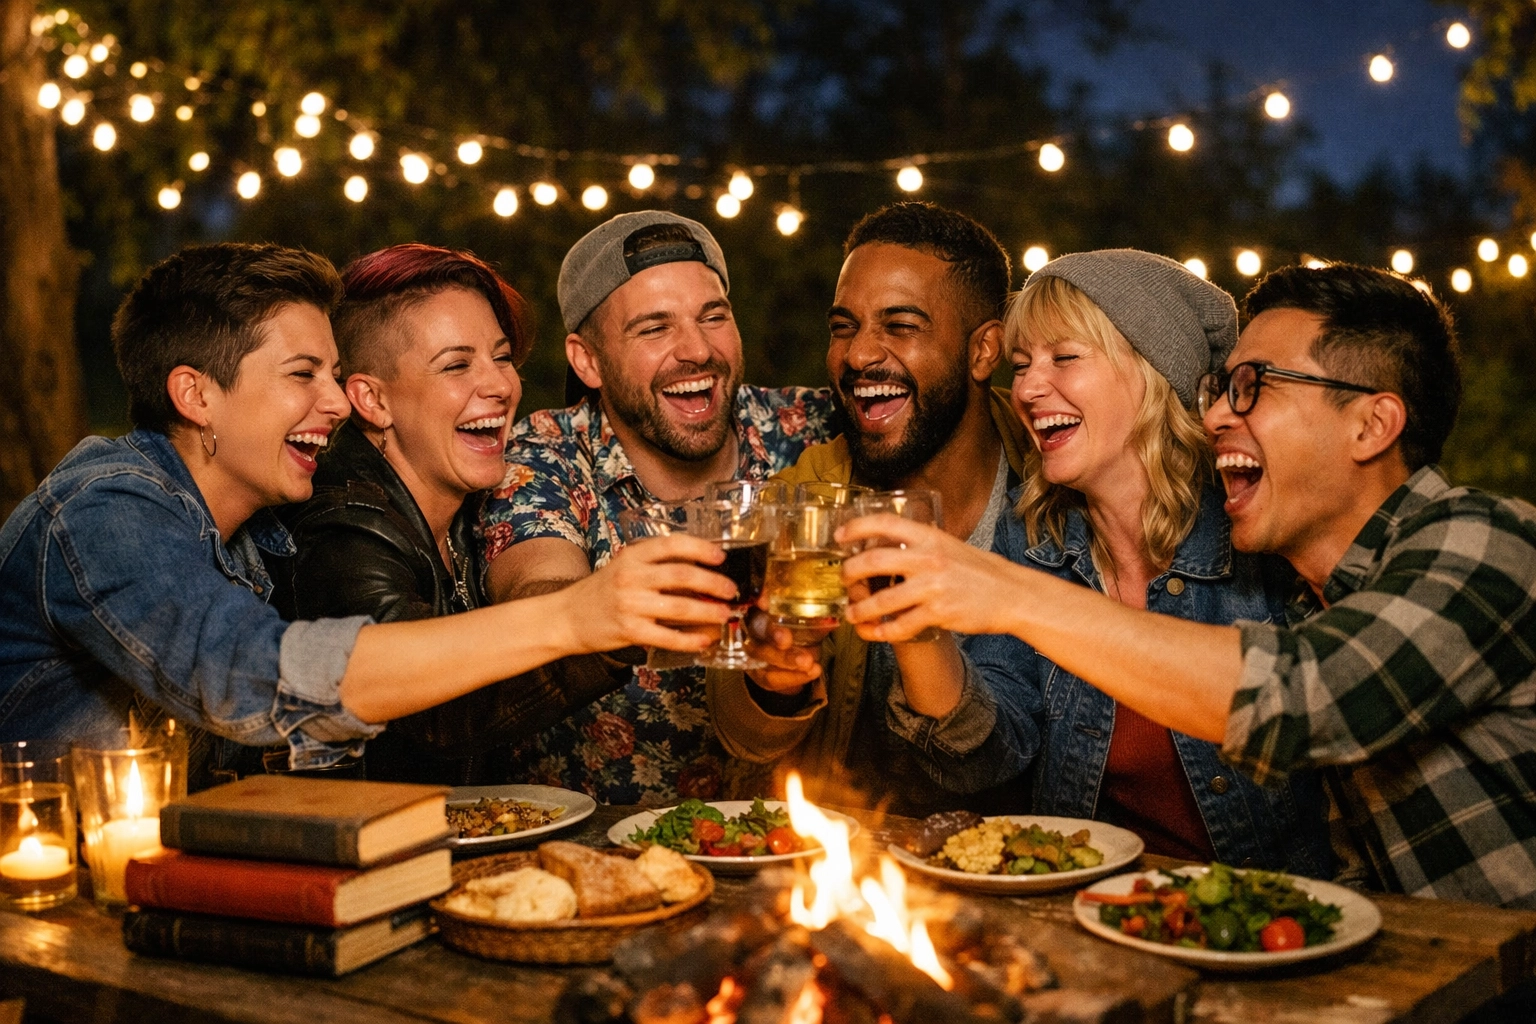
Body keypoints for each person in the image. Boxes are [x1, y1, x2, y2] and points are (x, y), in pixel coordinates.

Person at [842, 262, 1536, 906]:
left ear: (1371, 424)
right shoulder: (1303, 576)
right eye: (1223, 389)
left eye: (1252, 387)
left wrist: (1006, 595)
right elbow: (985, 752)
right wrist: (921, 612)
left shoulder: (1488, 541)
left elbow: (1299, 700)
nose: (1217, 417)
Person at [0, 243, 735, 788]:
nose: (335, 401)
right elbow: (253, 679)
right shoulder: (106, 506)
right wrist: (577, 618)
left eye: (332, 372)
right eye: (303, 375)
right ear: (196, 396)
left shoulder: (258, 541)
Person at [835, 249, 1332, 871]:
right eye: (1020, 366)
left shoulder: (1256, 530)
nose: (1027, 389)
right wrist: (914, 624)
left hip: (1272, 912)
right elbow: (984, 756)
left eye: (1064, 358)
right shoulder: (1038, 539)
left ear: (1155, 373)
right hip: (1105, 912)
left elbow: (1322, 723)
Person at [481, 211, 836, 804]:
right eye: (653, 328)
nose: (696, 350)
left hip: (789, 851)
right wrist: (609, 608)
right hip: (593, 857)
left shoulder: (807, 431)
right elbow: (534, 590)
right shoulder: (544, 453)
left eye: (713, 317)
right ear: (587, 361)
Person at [268, 244, 646, 783]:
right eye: (457, 365)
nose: (498, 385)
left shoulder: (472, 510)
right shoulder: (343, 526)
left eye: (501, 357)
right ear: (373, 402)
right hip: (360, 858)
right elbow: (435, 710)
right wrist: (616, 622)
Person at [709, 202, 1033, 815]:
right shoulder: (805, 496)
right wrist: (771, 680)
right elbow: (741, 737)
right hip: (848, 869)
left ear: (985, 350)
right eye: (843, 326)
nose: (859, 356)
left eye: (900, 326)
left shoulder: (1052, 484)